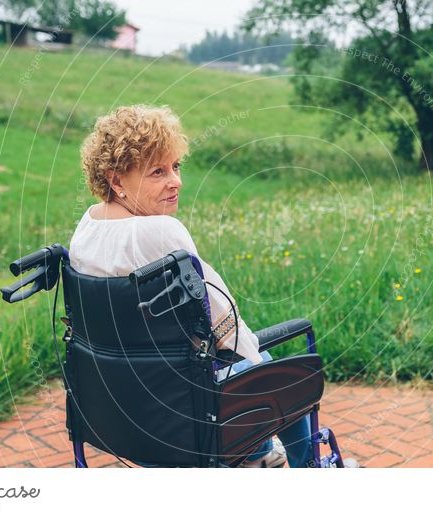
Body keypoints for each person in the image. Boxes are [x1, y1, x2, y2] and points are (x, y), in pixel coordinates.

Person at [69, 104, 314, 468]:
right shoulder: (162, 231)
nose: (176, 181)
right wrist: (249, 350)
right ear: (116, 180)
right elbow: (224, 324)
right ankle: (306, 468)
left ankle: (260, 456)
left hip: (122, 409)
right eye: (157, 171)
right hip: (184, 410)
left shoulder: (85, 229)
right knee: (270, 365)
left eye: (176, 167)